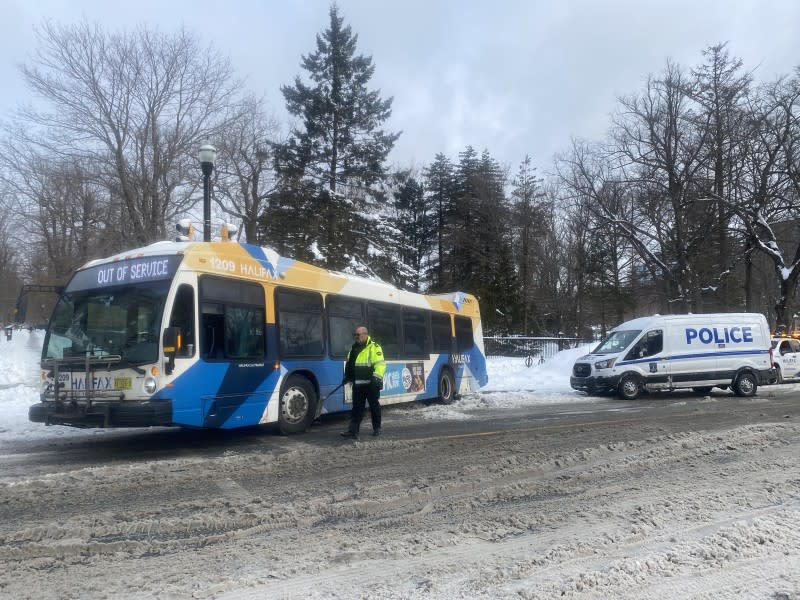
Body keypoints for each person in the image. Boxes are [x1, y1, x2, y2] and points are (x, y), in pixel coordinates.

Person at [340, 325, 386, 440]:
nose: (356, 337)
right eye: (355, 335)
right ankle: (353, 431)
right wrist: (347, 377)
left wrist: (376, 378)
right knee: (356, 408)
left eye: (358, 335)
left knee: (374, 406)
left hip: (371, 385)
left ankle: (377, 428)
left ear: (365, 335)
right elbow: (350, 365)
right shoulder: (354, 348)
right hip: (358, 385)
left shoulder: (374, 347)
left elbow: (380, 364)